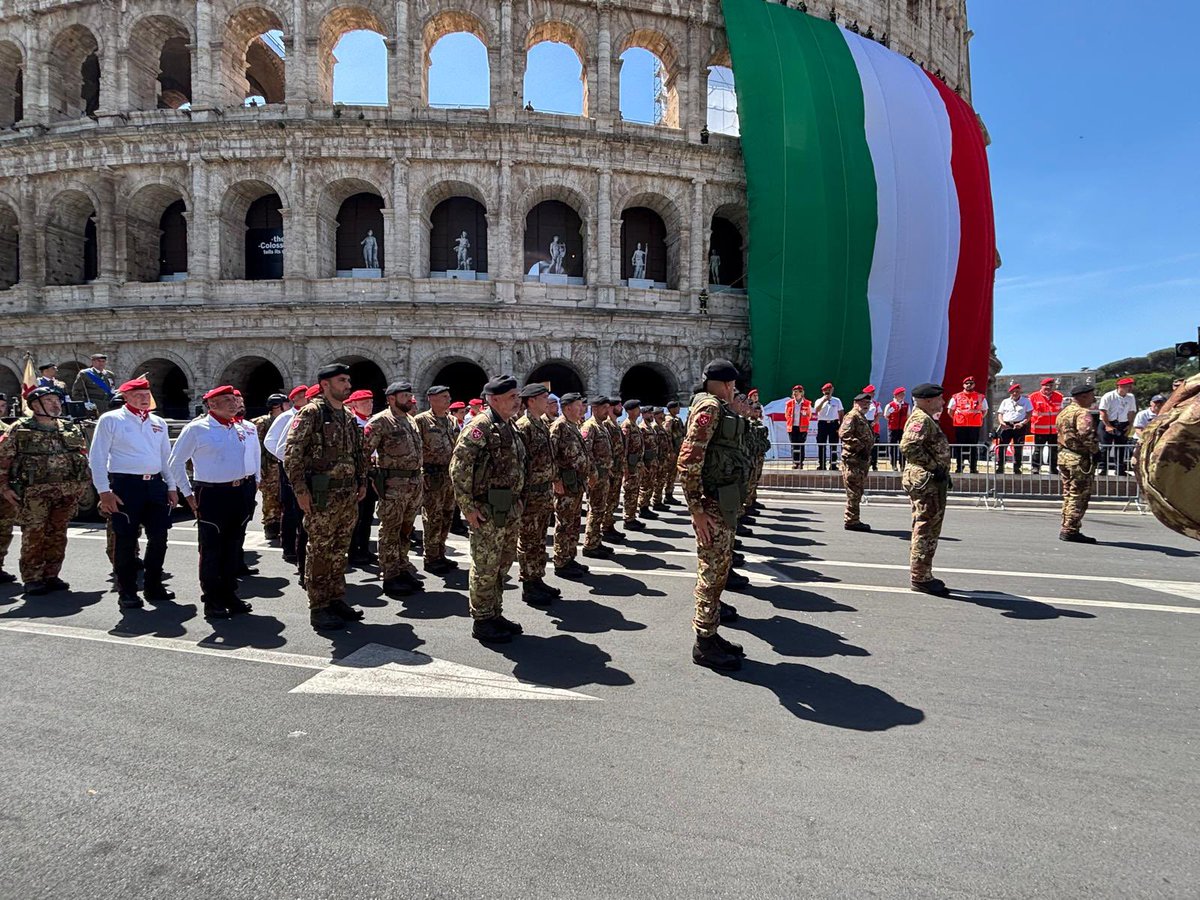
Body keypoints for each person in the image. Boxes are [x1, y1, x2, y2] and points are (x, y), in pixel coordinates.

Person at [283, 364, 367, 631]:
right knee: (320, 549)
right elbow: (293, 452)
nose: (348, 385)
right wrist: (300, 491)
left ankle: (336, 598)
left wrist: (362, 480)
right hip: (321, 494)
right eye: (342, 380)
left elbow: (358, 452)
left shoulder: (348, 416)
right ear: (325, 384)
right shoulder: (312, 412)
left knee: (340, 550)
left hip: (346, 494)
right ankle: (319, 606)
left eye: (348, 380)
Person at [678, 359, 750, 672]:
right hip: (710, 505)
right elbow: (689, 460)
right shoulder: (710, 408)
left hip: (721, 501)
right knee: (712, 569)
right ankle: (704, 642)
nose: (735, 390)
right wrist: (696, 509)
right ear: (725, 384)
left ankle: (712, 632)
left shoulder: (718, 407)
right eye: (732, 384)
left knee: (720, 567)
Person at [448, 374, 527, 644]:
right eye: (512, 397)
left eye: (517, 396)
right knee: (485, 566)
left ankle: (495, 613)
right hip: (486, 509)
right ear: (493, 399)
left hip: (508, 509)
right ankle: (482, 620)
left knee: (502, 564)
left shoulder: (509, 425)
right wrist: (467, 508)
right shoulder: (480, 427)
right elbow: (459, 468)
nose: (517, 401)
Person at [168, 386, 259, 619]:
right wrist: (188, 494)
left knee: (233, 547)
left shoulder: (239, 428)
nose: (233, 404)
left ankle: (230, 593)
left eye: (233, 399)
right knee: (211, 550)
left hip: (238, 492)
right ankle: (212, 599)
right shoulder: (197, 429)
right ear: (212, 404)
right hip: (211, 493)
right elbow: (175, 462)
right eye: (226, 400)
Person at [88, 377, 177, 608]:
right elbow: (97, 457)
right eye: (138, 395)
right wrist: (104, 492)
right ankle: (127, 591)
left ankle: (153, 585)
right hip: (126, 486)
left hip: (155, 485)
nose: (144, 398)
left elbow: (165, 458)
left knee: (160, 538)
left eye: (147, 394)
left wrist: (171, 486)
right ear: (125, 397)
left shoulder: (158, 422)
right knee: (126, 540)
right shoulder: (111, 419)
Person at [0, 387, 91, 595]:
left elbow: (82, 458)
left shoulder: (69, 428)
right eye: (49, 400)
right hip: (34, 493)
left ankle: (51, 574)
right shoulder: (20, 428)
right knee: (34, 534)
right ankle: (33, 577)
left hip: (65, 492)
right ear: (34, 405)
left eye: (57, 400)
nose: (55, 404)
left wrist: (81, 487)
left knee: (58, 534)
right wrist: (4, 488)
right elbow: (3, 460)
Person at [363, 381, 425, 599]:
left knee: (406, 531)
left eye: (410, 395)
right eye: (404, 396)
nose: (409, 399)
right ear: (391, 399)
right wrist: (373, 477)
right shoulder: (380, 421)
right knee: (390, 531)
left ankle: (402, 567)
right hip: (393, 486)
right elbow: (363, 453)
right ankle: (389, 576)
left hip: (413, 484)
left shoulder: (410, 420)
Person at [901, 383, 953, 597]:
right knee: (926, 527)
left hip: (928, 481)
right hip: (927, 482)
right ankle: (921, 577)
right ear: (928, 400)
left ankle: (922, 573)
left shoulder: (924, 418)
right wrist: (933, 467)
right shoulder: (921, 419)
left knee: (925, 526)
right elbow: (908, 447)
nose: (942, 402)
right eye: (939, 399)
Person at [514, 383, 560, 605]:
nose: (548, 402)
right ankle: (529, 585)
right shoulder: (524, 426)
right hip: (530, 494)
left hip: (543, 492)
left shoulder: (540, 423)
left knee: (540, 539)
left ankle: (537, 578)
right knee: (529, 540)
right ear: (531, 401)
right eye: (544, 398)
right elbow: (520, 464)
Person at [414, 385, 458, 575]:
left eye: (449, 396)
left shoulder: (451, 420)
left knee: (447, 516)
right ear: (431, 399)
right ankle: (431, 558)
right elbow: (415, 448)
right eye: (444, 397)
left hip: (449, 476)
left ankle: (440, 553)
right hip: (431, 475)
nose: (448, 400)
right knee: (432, 517)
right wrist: (419, 473)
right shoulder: (421, 421)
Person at [265, 384, 309, 562]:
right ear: (297, 398)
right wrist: (288, 460)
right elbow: (270, 442)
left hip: (306, 469)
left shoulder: (310, 414)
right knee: (291, 509)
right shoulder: (286, 417)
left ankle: (301, 546)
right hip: (289, 467)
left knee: (303, 510)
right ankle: (289, 548)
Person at [551, 392, 591, 579]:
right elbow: (550, 456)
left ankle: (570, 557)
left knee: (574, 522)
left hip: (576, 483)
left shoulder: (573, 425)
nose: (582, 408)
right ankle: (560, 561)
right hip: (565, 485)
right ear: (567, 408)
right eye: (578, 405)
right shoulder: (558, 427)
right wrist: (556, 479)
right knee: (564, 524)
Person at [1057, 384, 1100, 543]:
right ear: (1083, 396)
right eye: (1091, 396)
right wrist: (1095, 451)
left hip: (1064, 456)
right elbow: (1086, 434)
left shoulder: (1064, 412)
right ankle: (1071, 529)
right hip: (1078, 458)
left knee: (1068, 493)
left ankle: (1066, 525)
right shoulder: (1082, 413)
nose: (1093, 399)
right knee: (1079, 494)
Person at [580, 396, 615, 560]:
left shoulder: (602, 426)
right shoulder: (590, 427)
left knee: (601, 509)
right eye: (604, 408)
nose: (607, 411)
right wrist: (592, 474)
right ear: (594, 408)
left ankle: (596, 540)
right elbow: (586, 453)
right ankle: (590, 545)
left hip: (604, 475)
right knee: (595, 510)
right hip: (596, 477)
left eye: (608, 407)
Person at [252, 393, 288, 541]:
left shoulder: (285, 420)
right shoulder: (262, 422)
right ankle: (271, 526)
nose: (288, 406)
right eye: (285, 404)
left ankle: (281, 525)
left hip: (281, 464)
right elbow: (256, 446)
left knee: (282, 496)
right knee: (270, 497)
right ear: (276, 406)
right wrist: (258, 466)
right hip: (269, 465)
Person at [839, 392, 875, 531]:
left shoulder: (861, 417)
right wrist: (860, 447)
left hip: (860, 460)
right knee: (854, 491)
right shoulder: (852, 416)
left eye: (868, 403)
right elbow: (844, 434)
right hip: (853, 459)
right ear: (856, 403)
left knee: (857, 490)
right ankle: (852, 520)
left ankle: (853, 518)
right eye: (863, 403)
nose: (866, 406)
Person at [947, 376, 988, 474]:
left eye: (971, 383)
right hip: (960, 425)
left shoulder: (980, 397)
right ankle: (959, 467)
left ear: (974, 385)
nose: (969, 385)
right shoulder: (956, 396)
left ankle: (973, 468)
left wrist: (978, 418)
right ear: (963, 385)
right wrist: (958, 418)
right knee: (960, 446)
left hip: (974, 426)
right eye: (967, 383)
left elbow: (985, 410)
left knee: (973, 447)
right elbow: (950, 411)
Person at [1098, 377, 1137, 476]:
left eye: (1130, 386)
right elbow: (1103, 411)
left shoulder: (1130, 397)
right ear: (1120, 386)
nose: (1129, 388)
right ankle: (1103, 469)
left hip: (1122, 423)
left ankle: (1120, 469)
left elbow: (1132, 411)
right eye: (1126, 386)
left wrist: (1130, 425)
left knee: (1121, 447)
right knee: (1105, 447)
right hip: (1107, 421)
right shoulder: (1109, 396)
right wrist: (1108, 425)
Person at [994, 383, 1032, 474]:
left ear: (1020, 392)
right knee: (1002, 447)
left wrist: (1022, 423)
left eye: (1017, 391)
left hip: (1019, 425)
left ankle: (1017, 467)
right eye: (1013, 392)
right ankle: (1000, 466)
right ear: (1010, 392)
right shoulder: (1005, 401)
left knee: (1018, 447)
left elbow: (1029, 414)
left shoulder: (1026, 401)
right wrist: (1001, 422)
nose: (1015, 393)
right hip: (1006, 425)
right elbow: (1000, 414)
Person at [1029, 378, 1064, 475]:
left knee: (1054, 450)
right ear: (1042, 386)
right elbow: (1029, 412)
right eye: (1046, 386)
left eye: (1051, 386)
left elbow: (1061, 412)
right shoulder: (1033, 397)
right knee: (1037, 450)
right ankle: (1035, 467)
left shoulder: (1059, 396)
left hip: (1054, 429)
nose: (1048, 388)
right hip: (1039, 429)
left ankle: (1053, 468)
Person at [602, 396, 626, 540]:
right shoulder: (607, 425)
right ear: (612, 407)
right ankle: (604, 529)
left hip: (617, 470)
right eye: (619, 405)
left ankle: (609, 525)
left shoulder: (615, 424)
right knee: (606, 501)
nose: (621, 408)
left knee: (613, 501)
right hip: (610, 471)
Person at [620, 399, 646, 530]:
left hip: (636, 465)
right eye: (636, 408)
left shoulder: (634, 425)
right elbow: (624, 448)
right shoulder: (627, 426)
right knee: (630, 492)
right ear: (630, 411)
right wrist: (625, 467)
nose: (639, 411)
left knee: (635, 491)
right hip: (630, 466)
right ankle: (628, 519)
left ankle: (632, 517)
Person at [637, 406, 661, 518]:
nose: (651, 415)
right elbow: (640, 447)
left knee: (650, 485)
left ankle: (646, 506)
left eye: (652, 413)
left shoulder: (650, 428)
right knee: (644, 486)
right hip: (646, 463)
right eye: (648, 413)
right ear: (643, 414)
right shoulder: (642, 428)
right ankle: (642, 508)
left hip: (652, 462)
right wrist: (641, 462)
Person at [812, 383, 843, 470]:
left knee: (834, 444)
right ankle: (822, 464)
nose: (828, 392)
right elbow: (816, 410)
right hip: (823, 424)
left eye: (830, 390)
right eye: (826, 390)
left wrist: (841, 424)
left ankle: (833, 464)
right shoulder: (819, 400)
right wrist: (824, 401)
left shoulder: (837, 400)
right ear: (823, 391)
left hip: (834, 424)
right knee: (821, 444)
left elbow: (841, 412)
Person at [784, 385, 812, 470]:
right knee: (794, 445)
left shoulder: (807, 403)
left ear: (801, 393)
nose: (795, 393)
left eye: (796, 392)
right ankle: (795, 462)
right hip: (792, 427)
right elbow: (786, 415)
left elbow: (809, 415)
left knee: (801, 445)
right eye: (794, 392)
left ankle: (801, 462)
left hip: (802, 428)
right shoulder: (789, 403)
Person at [663, 400, 685, 503]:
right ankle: (667, 494)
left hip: (677, 450)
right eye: (677, 407)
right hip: (672, 452)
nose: (679, 409)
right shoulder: (669, 420)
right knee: (670, 473)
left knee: (673, 473)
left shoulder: (677, 419)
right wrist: (670, 451)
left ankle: (669, 494)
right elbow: (667, 436)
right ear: (672, 408)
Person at [884, 388, 909, 470]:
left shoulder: (906, 405)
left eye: (903, 395)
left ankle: (902, 464)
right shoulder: (890, 405)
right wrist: (892, 421)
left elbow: (909, 416)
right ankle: (893, 464)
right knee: (892, 447)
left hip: (902, 429)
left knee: (903, 447)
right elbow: (886, 415)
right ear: (896, 395)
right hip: (893, 429)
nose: (903, 396)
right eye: (901, 395)